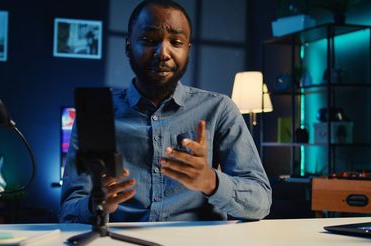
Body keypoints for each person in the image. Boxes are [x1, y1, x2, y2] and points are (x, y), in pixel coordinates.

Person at [59, 0, 271, 223]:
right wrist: (97, 204)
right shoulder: (96, 114)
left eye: (176, 42)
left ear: (187, 50)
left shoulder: (220, 109)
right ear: (128, 46)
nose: (163, 52)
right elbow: (68, 212)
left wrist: (210, 181)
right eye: (148, 40)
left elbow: (260, 202)